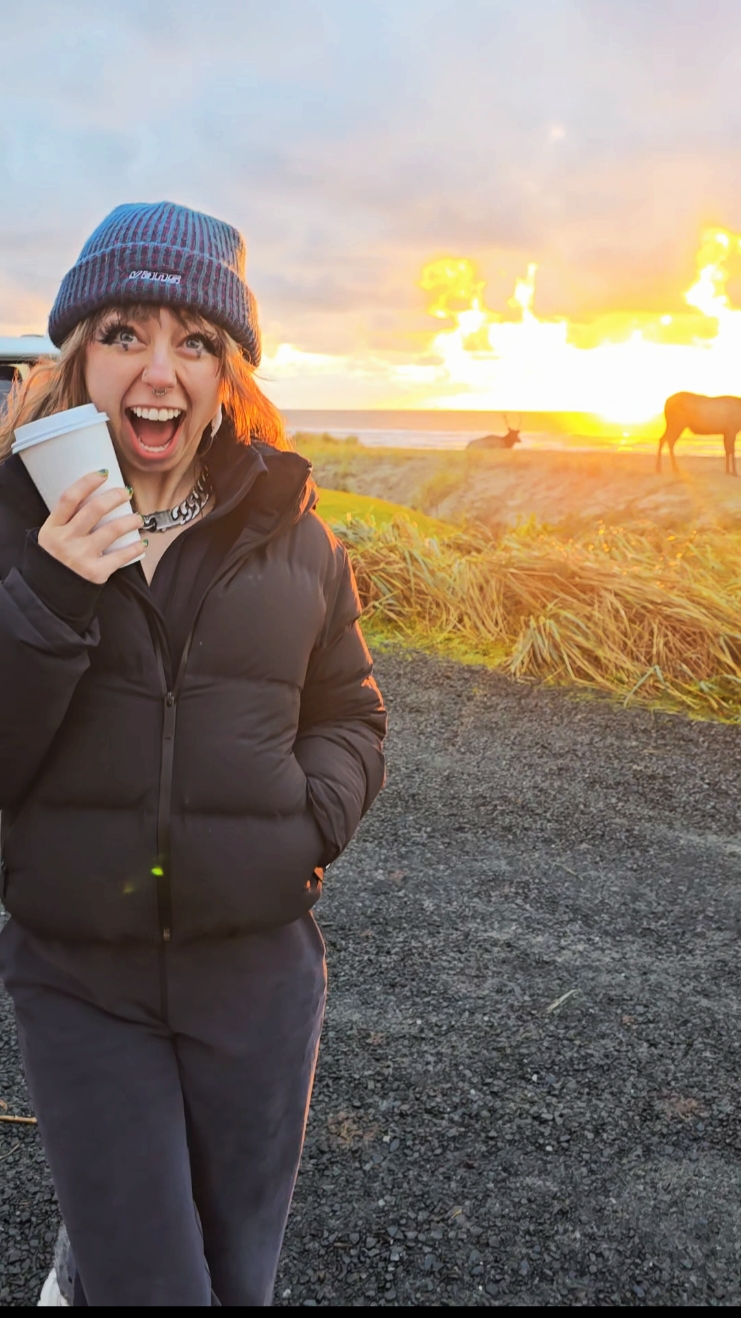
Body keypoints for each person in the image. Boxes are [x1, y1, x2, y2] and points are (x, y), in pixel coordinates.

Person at [0, 201, 386, 1307]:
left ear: (231, 376)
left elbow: (351, 713)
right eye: (123, 333)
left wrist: (304, 827)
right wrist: (49, 589)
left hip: (258, 979)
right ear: (78, 361)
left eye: (196, 341)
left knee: (234, 1281)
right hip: (82, 976)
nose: (157, 370)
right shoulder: (15, 526)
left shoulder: (294, 535)